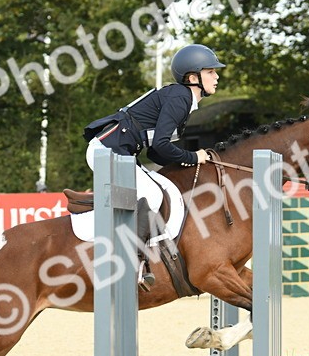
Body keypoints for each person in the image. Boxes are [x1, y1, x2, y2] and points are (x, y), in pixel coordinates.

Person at [81, 43, 225, 289]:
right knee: (152, 193)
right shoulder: (180, 97)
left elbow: (158, 151)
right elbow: (161, 144)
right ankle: (132, 264)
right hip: (107, 151)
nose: (217, 76)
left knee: (161, 187)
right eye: (210, 71)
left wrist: (187, 161)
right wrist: (193, 157)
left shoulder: (183, 99)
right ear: (193, 78)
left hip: (120, 152)